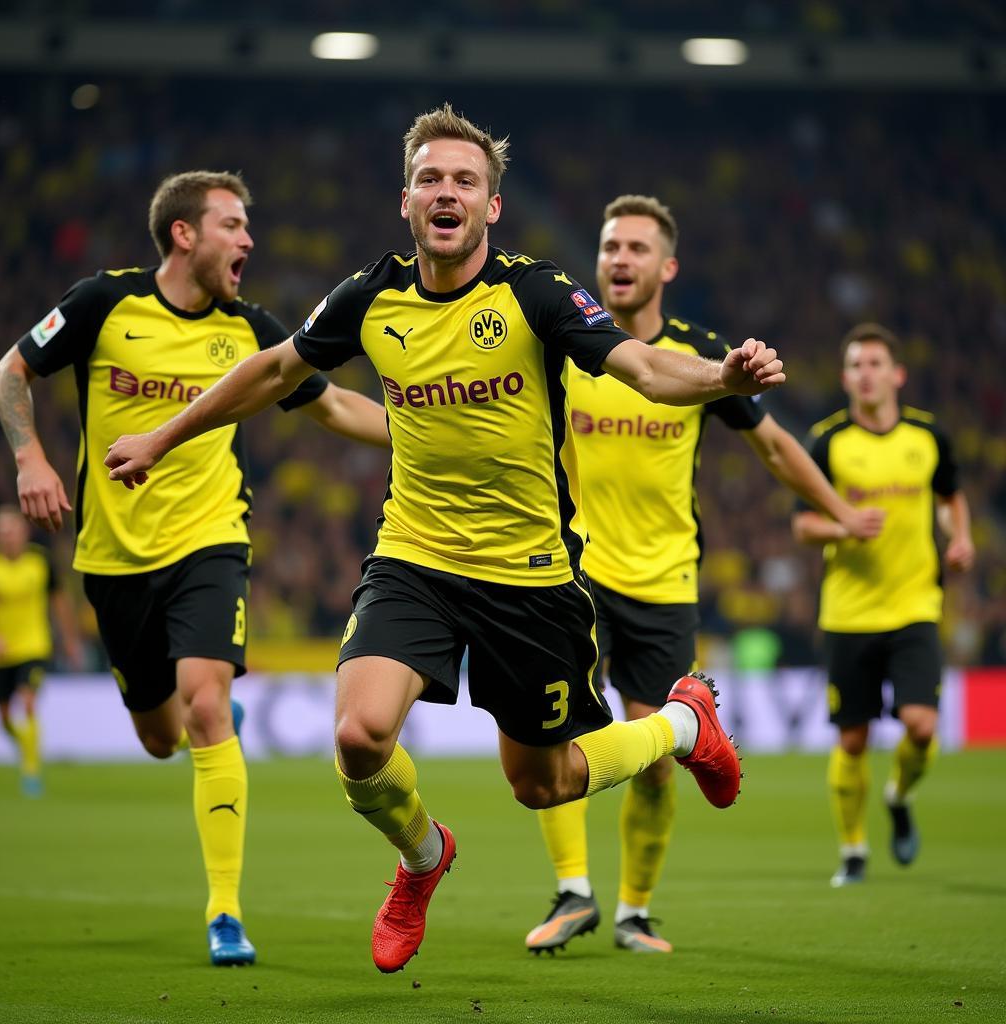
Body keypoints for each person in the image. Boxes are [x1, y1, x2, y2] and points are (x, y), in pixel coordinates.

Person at [102, 105, 786, 975]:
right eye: (432, 178)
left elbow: (644, 368)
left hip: (528, 576)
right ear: (406, 200)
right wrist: (161, 438)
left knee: (547, 783)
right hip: (414, 559)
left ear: (492, 207)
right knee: (358, 739)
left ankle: (684, 725)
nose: (447, 191)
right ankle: (423, 857)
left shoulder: (535, 293)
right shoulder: (370, 297)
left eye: (466, 180)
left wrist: (719, 375)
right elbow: (275, 371)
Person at [0, 170, 390, 965]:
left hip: (211, 542)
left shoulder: (251, 330)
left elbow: (335, 405)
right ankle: (198, 723)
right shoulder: (105, 304)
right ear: (184, 234)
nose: (248, 241)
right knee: (159, 734)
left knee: (206, 707)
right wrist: (30, 457)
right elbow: (11, 372)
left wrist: (430, 432)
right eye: (233, 225)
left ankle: (225, 914)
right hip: (111, 559)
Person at [524, 195, 886, 956]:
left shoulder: (699, 354)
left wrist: (841, 511)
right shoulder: (567, 341)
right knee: (554, 732)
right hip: (574, 570)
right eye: (610, 245)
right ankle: (572, 891)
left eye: (635, 248)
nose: (619, 258)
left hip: (664, 584)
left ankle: (633, 911)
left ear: (667, 267)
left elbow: (777, 447)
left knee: (655, 762)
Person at [792, 322, 974, 887]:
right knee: (853, 738)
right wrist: (843, 526)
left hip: (916, 603)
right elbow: (802, 526)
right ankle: (852, 850)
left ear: (896, 374)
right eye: (855, 365)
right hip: (848, 611)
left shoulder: (928, 437)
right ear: (845, 378)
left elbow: (949, 497)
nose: (865, 374)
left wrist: (961, 536)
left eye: (875, 363)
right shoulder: (828, 441)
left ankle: (897, 795)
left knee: (921, 726)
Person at [0, 505, 83, 796]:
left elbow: (59, 601)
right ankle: (25, 744)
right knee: (3, 719)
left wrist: (70, 639)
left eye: (12, 530)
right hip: (0, 653)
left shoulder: (40, 562)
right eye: (2, 532)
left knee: (27, 701)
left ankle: (31, 771)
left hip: (34, 646)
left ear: (23, 532)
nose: (8, 537)